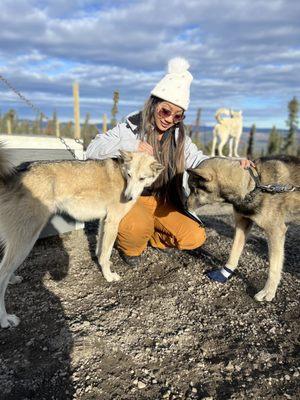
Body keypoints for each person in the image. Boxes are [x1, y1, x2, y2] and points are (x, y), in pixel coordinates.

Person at [86, 57, 251, 266]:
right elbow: (92, 149)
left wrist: (233, 163)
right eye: (165, 111)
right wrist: (130, 146)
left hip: (165, 198)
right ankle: (131, 241)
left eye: (177, 116)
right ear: (154, 104)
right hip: (133, 196)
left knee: (194, 237)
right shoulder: (130, 127)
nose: (169, 119)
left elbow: (201, 160)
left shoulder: (179, 138)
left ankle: (152, 234)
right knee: (136, 231)